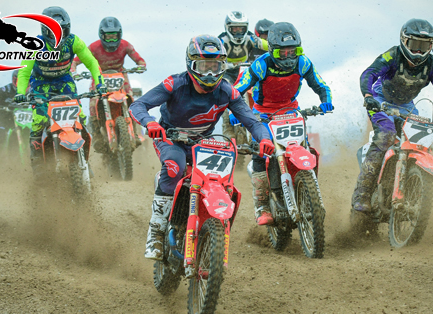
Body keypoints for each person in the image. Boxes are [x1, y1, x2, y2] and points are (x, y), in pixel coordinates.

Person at [129, 35, 274, 260]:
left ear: (223, 66)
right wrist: (150, 122)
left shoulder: (228, 91)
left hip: (202, 144)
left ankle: (209, 227)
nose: (209, 73)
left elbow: (252, 121)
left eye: (215, 66)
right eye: (203, 66)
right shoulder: (174, 84)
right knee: (174, 167)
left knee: (219, 181)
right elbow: (138, 104)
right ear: (191, 64)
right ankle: (155, 233)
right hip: (170, 138)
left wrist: (265, 139)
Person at [351, 18, 433, 214]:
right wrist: (368, 96)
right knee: (385, 134)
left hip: (407, 107)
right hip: (379, 100)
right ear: (404, 41)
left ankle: (410, 182)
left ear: (431, 46)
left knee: (420, 142)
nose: (419, 51)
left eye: (425, 46)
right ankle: (362, 193)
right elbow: (369, 73)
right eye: (415, 45)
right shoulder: (392, 55)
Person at [235, 22, 333, 225]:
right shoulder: (261, 65)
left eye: (293, 51)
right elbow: (238, 88)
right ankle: (261, 205)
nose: (289, 57)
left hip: (291, 111)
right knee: (260, 153)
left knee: (306, 148)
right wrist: (236, 111)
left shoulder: (303, 62)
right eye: (283, 53)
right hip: (263, 114)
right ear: (272, 50)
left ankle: (309, 190)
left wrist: (326, 100)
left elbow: (320, 83)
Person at [14, 6, 106, 175]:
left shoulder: (74, 41)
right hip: (41, 85)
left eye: (62, 30)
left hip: (64, 82)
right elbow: (25, 70)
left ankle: (83, 159)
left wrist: (100, 83)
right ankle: (38, 167)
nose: (59, 36)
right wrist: (21, 93)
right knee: (39, 120)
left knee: (80, 116)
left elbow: (92, 62)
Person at [71, 16, 147, 152]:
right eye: (108, 37)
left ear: (119, 35)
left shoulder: (126, 45)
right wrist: (74, 71)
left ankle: (135, 132)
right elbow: (75, 61)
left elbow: (139, 60)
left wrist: (141, 66)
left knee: (131, 100)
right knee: (94, 104)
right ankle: (97, 136)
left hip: (120, 76)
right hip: (99, 77)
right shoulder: (94, 47)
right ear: (102, 35)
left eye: (114, 36)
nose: (111, 40)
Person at [219, 11, 269, 140]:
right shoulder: (221, 41)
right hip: (227, 74)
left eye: (241, 28)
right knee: (225, 95)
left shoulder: (251, 38)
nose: (238, 31)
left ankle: (259, 123)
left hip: (244, 72)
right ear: (228, 27)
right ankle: (228, 133)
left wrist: (284, 48)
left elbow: (268, 45)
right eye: (234, 28)